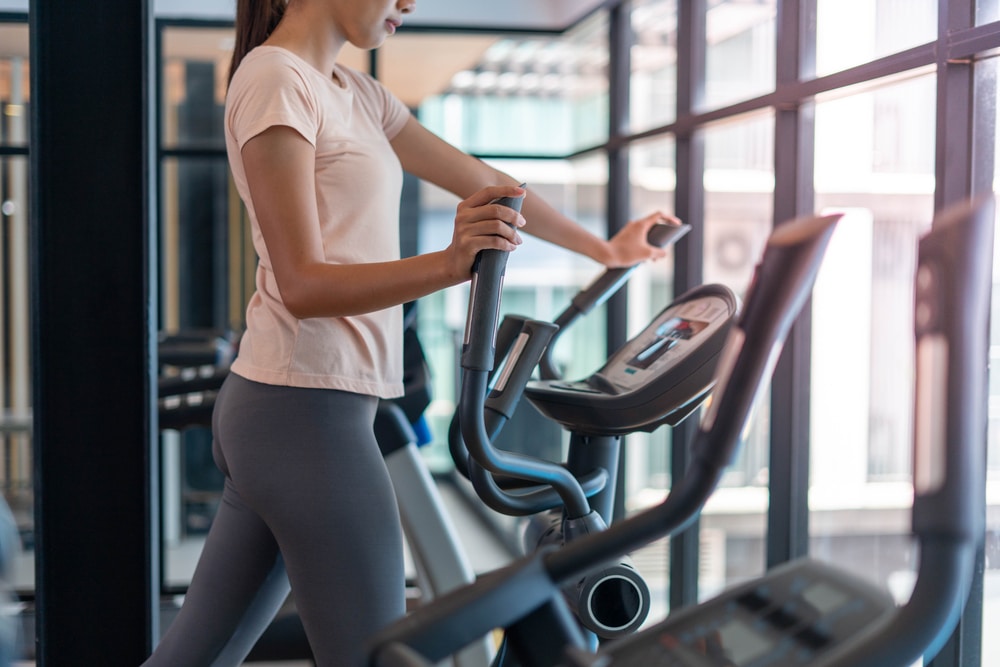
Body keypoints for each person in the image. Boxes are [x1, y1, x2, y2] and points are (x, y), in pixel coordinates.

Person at [142, 0, 676, 665]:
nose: (409, 3)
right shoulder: (276, 79)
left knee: (193, 657)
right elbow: (304, 283)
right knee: (379, 657)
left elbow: (494, 185)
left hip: (298, 410)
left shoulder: (357, 93)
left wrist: (604, 249)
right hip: (303, 413)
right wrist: (451, 265)